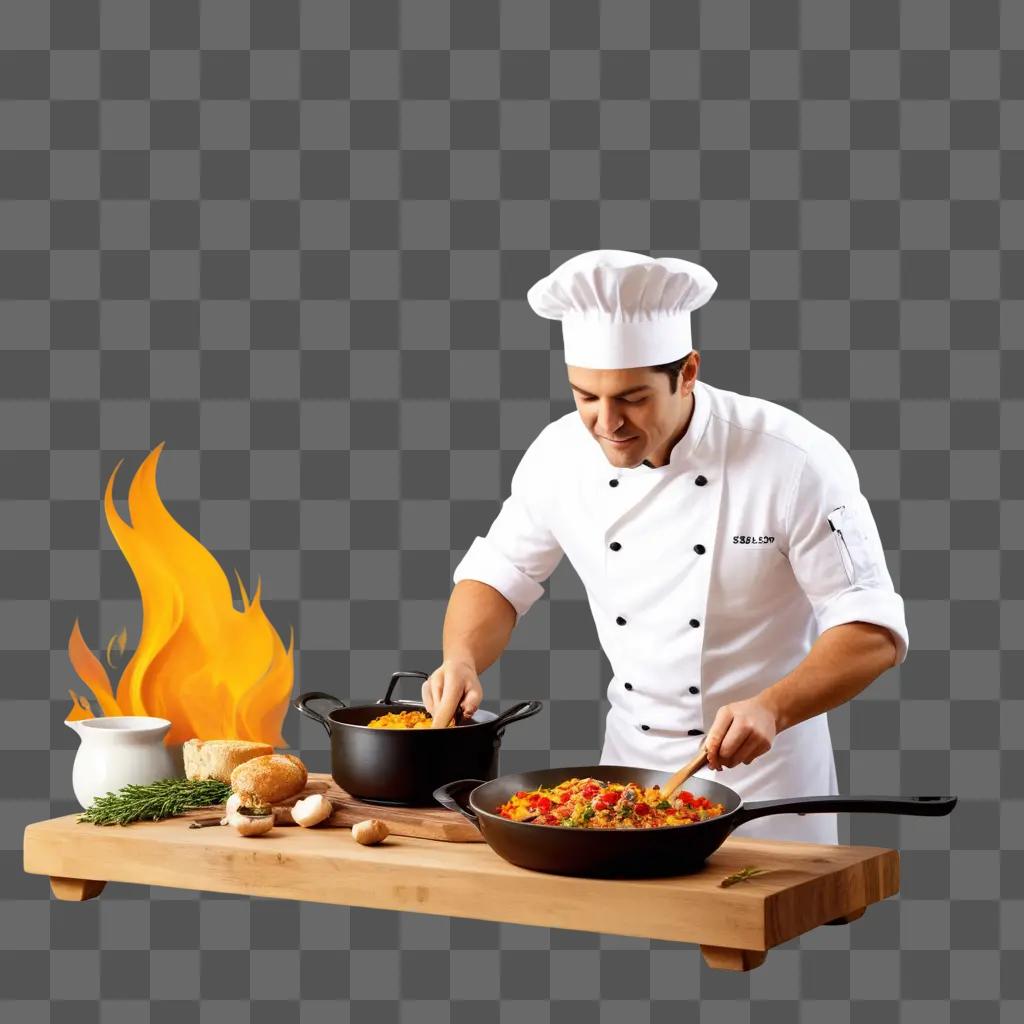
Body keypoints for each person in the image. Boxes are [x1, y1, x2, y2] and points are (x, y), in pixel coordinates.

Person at [422, 249, 908, 843]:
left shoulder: (796, 461)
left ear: (689, 371)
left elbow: (871, 632)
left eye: (632, 398)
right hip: (626, 780)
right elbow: (499, 575)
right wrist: (463, 657)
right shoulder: (557, 455)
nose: (607, 422)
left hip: (767, 784)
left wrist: (773, 707)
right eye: (585, 397)